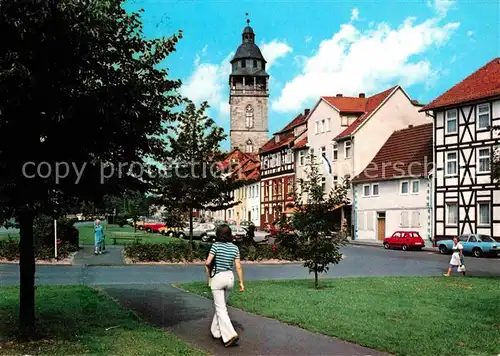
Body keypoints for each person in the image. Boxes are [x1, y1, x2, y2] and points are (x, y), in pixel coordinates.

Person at [205, 224, 244, 347]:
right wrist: (241, 283)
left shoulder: (216, 246)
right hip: (230, 278)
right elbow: (238, 266)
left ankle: (230, 335)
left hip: (218, 277)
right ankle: (215, 332)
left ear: (218, 234)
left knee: (221, 308)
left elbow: (207, 263)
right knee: (221, 306)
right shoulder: (234, 248)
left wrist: (210, 277)